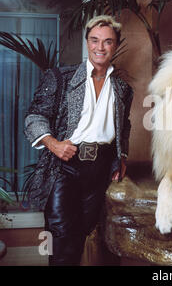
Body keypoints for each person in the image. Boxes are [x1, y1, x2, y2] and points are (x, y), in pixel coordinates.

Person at [24, 15, 133, 265]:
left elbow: (124, 126)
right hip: (65, 168)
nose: (100, 47)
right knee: (62, 240)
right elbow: (34, 117)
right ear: (87, 43)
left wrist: (121, 156)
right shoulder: (61, 77)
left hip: (100, 171)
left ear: (115, 45)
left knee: (85, 234)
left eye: (107, 42)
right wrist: (53, 143)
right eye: (94, 40)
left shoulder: (123, 89)